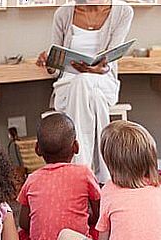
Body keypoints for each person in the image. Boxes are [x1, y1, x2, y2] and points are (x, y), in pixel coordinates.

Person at [37, 0, 134, 183]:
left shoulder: (123, 11)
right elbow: (57, 68)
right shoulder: (63, 14)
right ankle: (104, 176)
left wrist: (95, 70)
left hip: (104, 82)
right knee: (86, 87)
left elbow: (110, 60)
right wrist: (49, 64)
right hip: (68, 85)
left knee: (85, 82)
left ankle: (78, 173)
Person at [18, 112, 101, 240]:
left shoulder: (32, 179)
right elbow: (99, 216)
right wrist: (83, 219)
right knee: (99, 229)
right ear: (76, 147)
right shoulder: (84, 174)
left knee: (19, 235)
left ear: (37, 149)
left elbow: (24, 224)